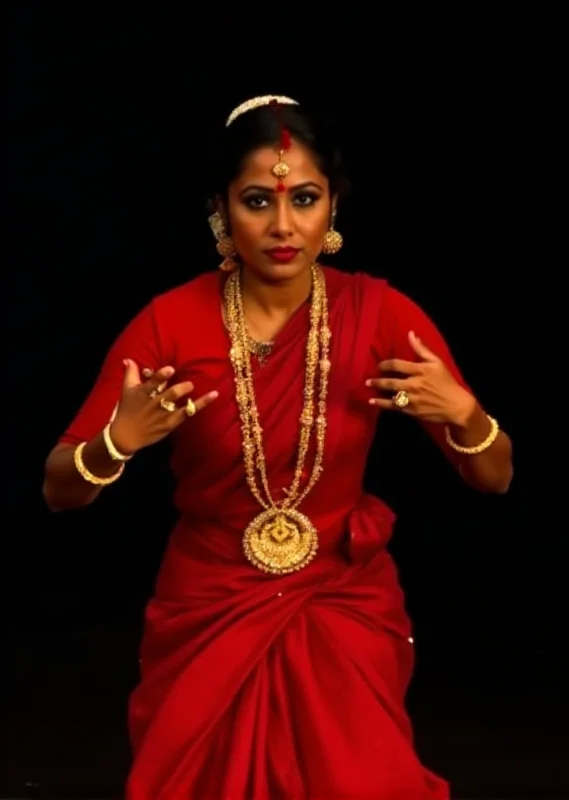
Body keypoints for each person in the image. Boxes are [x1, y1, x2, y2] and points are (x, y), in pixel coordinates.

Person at [43, 94, 513, 799]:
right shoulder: (170, 323)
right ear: (221, 211)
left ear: (333, 208)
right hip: (211, 604)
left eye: (305, 199)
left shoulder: (379, 314)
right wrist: (117, 441)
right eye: (259, 200)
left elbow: (495, 478)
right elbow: (59, 488)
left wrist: (467, 414)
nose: (283, 226)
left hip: (338, 601)